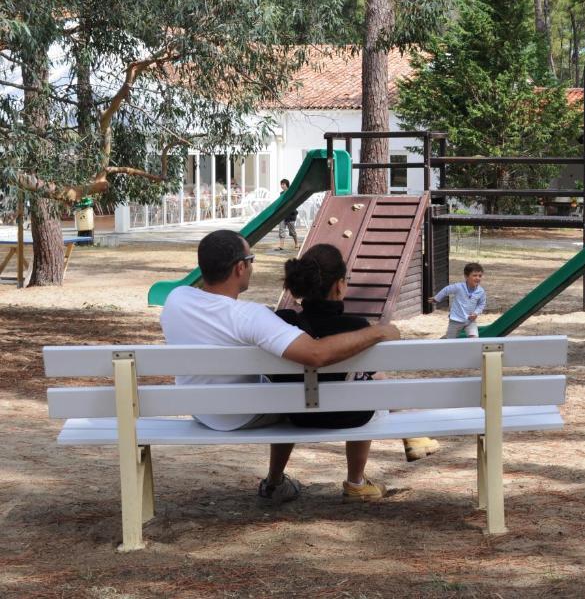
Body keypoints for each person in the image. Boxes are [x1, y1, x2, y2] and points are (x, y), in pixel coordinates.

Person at [160, 229, 400, 504]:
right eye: (251, 259)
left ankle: (275, 482)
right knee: (293, 392)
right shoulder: (249, 316)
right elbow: (315, 354)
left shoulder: (176, 299)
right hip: (238, 417)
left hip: (199, 410)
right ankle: (311, 481)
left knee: (287, 384)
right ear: (240, 268)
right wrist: (378, 332)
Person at [276, 243, 440, 472]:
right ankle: (356, 481)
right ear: (339, 285)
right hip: (350, 415)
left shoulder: (283, 323)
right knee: (367, 386)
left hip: (296, 415)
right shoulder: (357, 328)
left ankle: (275, 479)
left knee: (314, 387)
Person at [429, 262, 486, 338]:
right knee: (450, 340)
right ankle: (443, 340)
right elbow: (446, 290)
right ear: (466, 276)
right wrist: (437, 298)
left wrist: (476, 313)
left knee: (474, 338)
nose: (477, 278)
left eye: (480, 276)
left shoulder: (481, 291)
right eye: (474, 275)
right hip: (456, 320)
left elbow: (481, 304)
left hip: (470, 321)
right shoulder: (459, 287)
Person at [277, 178, 299, 251]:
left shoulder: (291, 192)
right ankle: (281, 246)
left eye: (283, 184)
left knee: (292, 231)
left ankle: (296, 244)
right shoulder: (281, 193)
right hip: (283, 214)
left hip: (291, 215)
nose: (282, 186)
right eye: (281, 184)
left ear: (287, 185)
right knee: (281, 229)